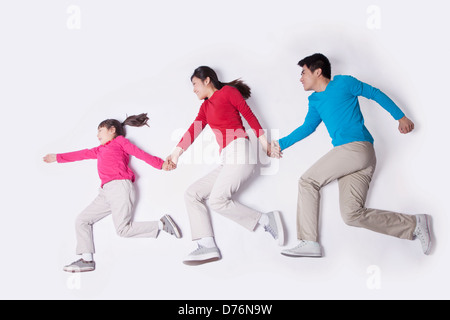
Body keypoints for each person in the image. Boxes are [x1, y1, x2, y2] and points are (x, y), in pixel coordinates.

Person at [270, 53, 432, 257]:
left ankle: (309, 241)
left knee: (307, 181)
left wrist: (400, 117)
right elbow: (307, 128)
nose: (300, 77)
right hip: (356, 159)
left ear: (317, 71)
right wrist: (279, 145)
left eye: (303, 72)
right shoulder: (315, 101)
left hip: (356, 148)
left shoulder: (344, 83)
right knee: (351, 215)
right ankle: (414, 223)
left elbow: (374, 93)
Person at [168, 66, 285, 265]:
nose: (194, 89)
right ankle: (206, 244)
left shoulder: (228, 93)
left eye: (195, 84)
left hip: (240, 151)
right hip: (227, 158)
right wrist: (175, 154)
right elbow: (193, 130)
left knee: (217, 200)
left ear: (207, 80)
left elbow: (249, 116)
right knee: (192, 193)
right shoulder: (205, 107)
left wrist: (265, 144)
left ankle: (266, 220)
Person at [43, 113, 182, 273]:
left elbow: (140, 154)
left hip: (119, 187)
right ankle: (87, 260)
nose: (97, 135)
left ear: (112, 130)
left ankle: (162, 224)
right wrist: (57, 157)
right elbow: (81, 154)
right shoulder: (99, 150)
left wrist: (161, 164)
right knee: (82, 220)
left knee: (123, 230)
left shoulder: (120, 142)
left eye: (100, 130)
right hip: (105, 193)